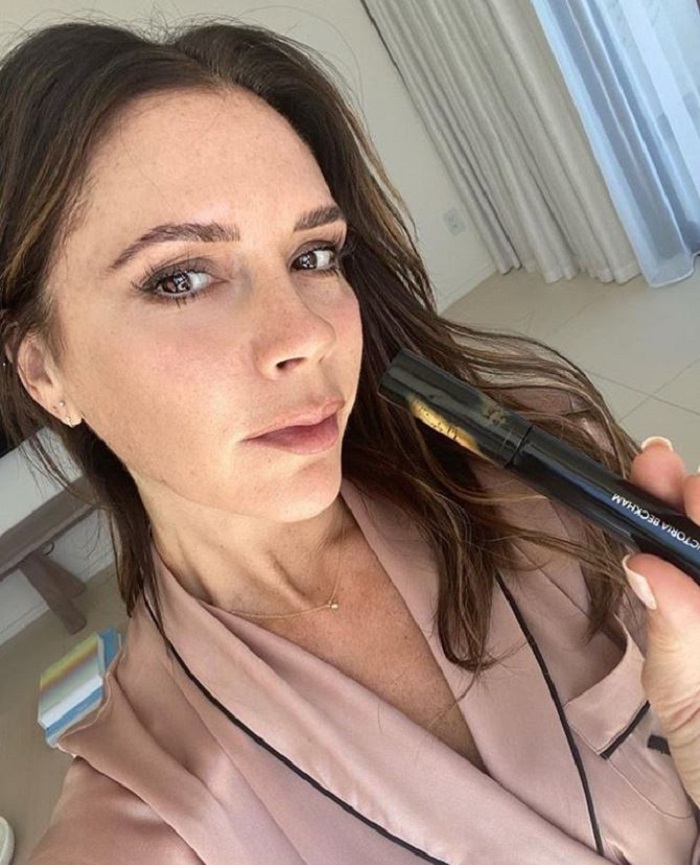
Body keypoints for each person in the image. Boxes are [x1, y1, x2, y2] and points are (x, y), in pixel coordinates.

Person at [0, 18, 697, 865]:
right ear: (45, 373)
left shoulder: (542, 475)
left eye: (313, 256)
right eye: (180, 278)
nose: (306, 334)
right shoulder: (145, 811)